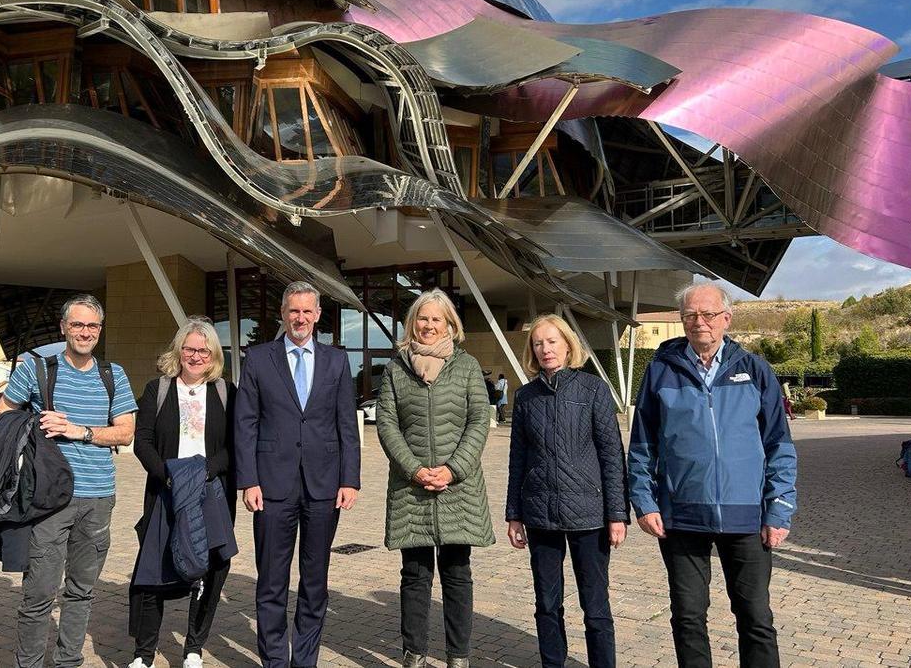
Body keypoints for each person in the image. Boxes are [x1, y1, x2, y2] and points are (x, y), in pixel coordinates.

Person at [628, 282, 797, 668]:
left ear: (726, 319)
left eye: (707, 314)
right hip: (682, 515)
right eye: (689, 315)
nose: (698, 322)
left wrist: (779, 509)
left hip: (747, 515)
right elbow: (642, 446)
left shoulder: (754, 370)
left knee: (756, 617)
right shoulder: (660, 372)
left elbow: (779, 445)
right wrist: (644, 502)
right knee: (688, 617)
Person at [0, 294, 138, 668]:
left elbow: (125, 433)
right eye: (77, 324)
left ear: (100, 330)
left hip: (99, 497)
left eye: (92, 326)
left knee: (81, 591)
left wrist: (77, 430)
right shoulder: (37, 370)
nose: (85, 332)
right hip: (48, 499)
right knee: (39, 593)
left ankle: (68, 661)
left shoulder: (114, 375)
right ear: (63, 328)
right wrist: (33, 423)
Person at [234, 281, 361, 668]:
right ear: (283, 314)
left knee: (314, 580)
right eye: (294, 311)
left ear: (318, 315)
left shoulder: (337, 361)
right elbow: (245, 423)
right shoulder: (259, 359)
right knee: (272, 581)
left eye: (307, 311)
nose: (300, 318)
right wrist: (248, 480)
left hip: (324, 486)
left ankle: (304, 660)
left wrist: (349, 479)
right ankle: (275, 660)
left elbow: (346, 424)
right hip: (271, 485)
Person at [376, 289, 493, 668]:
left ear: (449, 325)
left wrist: (453, 468)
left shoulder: (467, 366)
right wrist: (413, 468)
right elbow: (387, 423)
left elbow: (479, 419)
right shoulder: (395, 369)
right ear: (413, 323)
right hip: (411, 488)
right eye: (422, 318)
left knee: (457, 574)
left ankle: (458, 657)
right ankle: (414, 654)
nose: (428, 325)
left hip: (458, 488)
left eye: (436, 319)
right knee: (415, 574)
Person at [506, 314, 628, 668]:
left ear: (568, 344)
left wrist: (617, 514)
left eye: (552, 341)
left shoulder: (593, 389)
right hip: (540, 514)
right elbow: (517, 458)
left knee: (595, 605)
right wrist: (514, 514)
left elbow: (611, 455)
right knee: (546, 603)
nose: (545, 349)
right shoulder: (526, 396)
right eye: (538, 343)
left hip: (589, 515)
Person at [128, 318, 238, 668]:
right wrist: (170, 476)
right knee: (153, 571)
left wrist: (206, 471)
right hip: (166, 491)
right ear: (179, 350)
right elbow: (143, 441)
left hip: (211, 492)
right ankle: (144, 654)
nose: (196, 356)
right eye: (190, 349)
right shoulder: (157, 390)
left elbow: (235, 444)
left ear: (214, 355)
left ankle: (193, 647)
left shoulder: (225, 392)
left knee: (212, 568)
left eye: (204, 350)